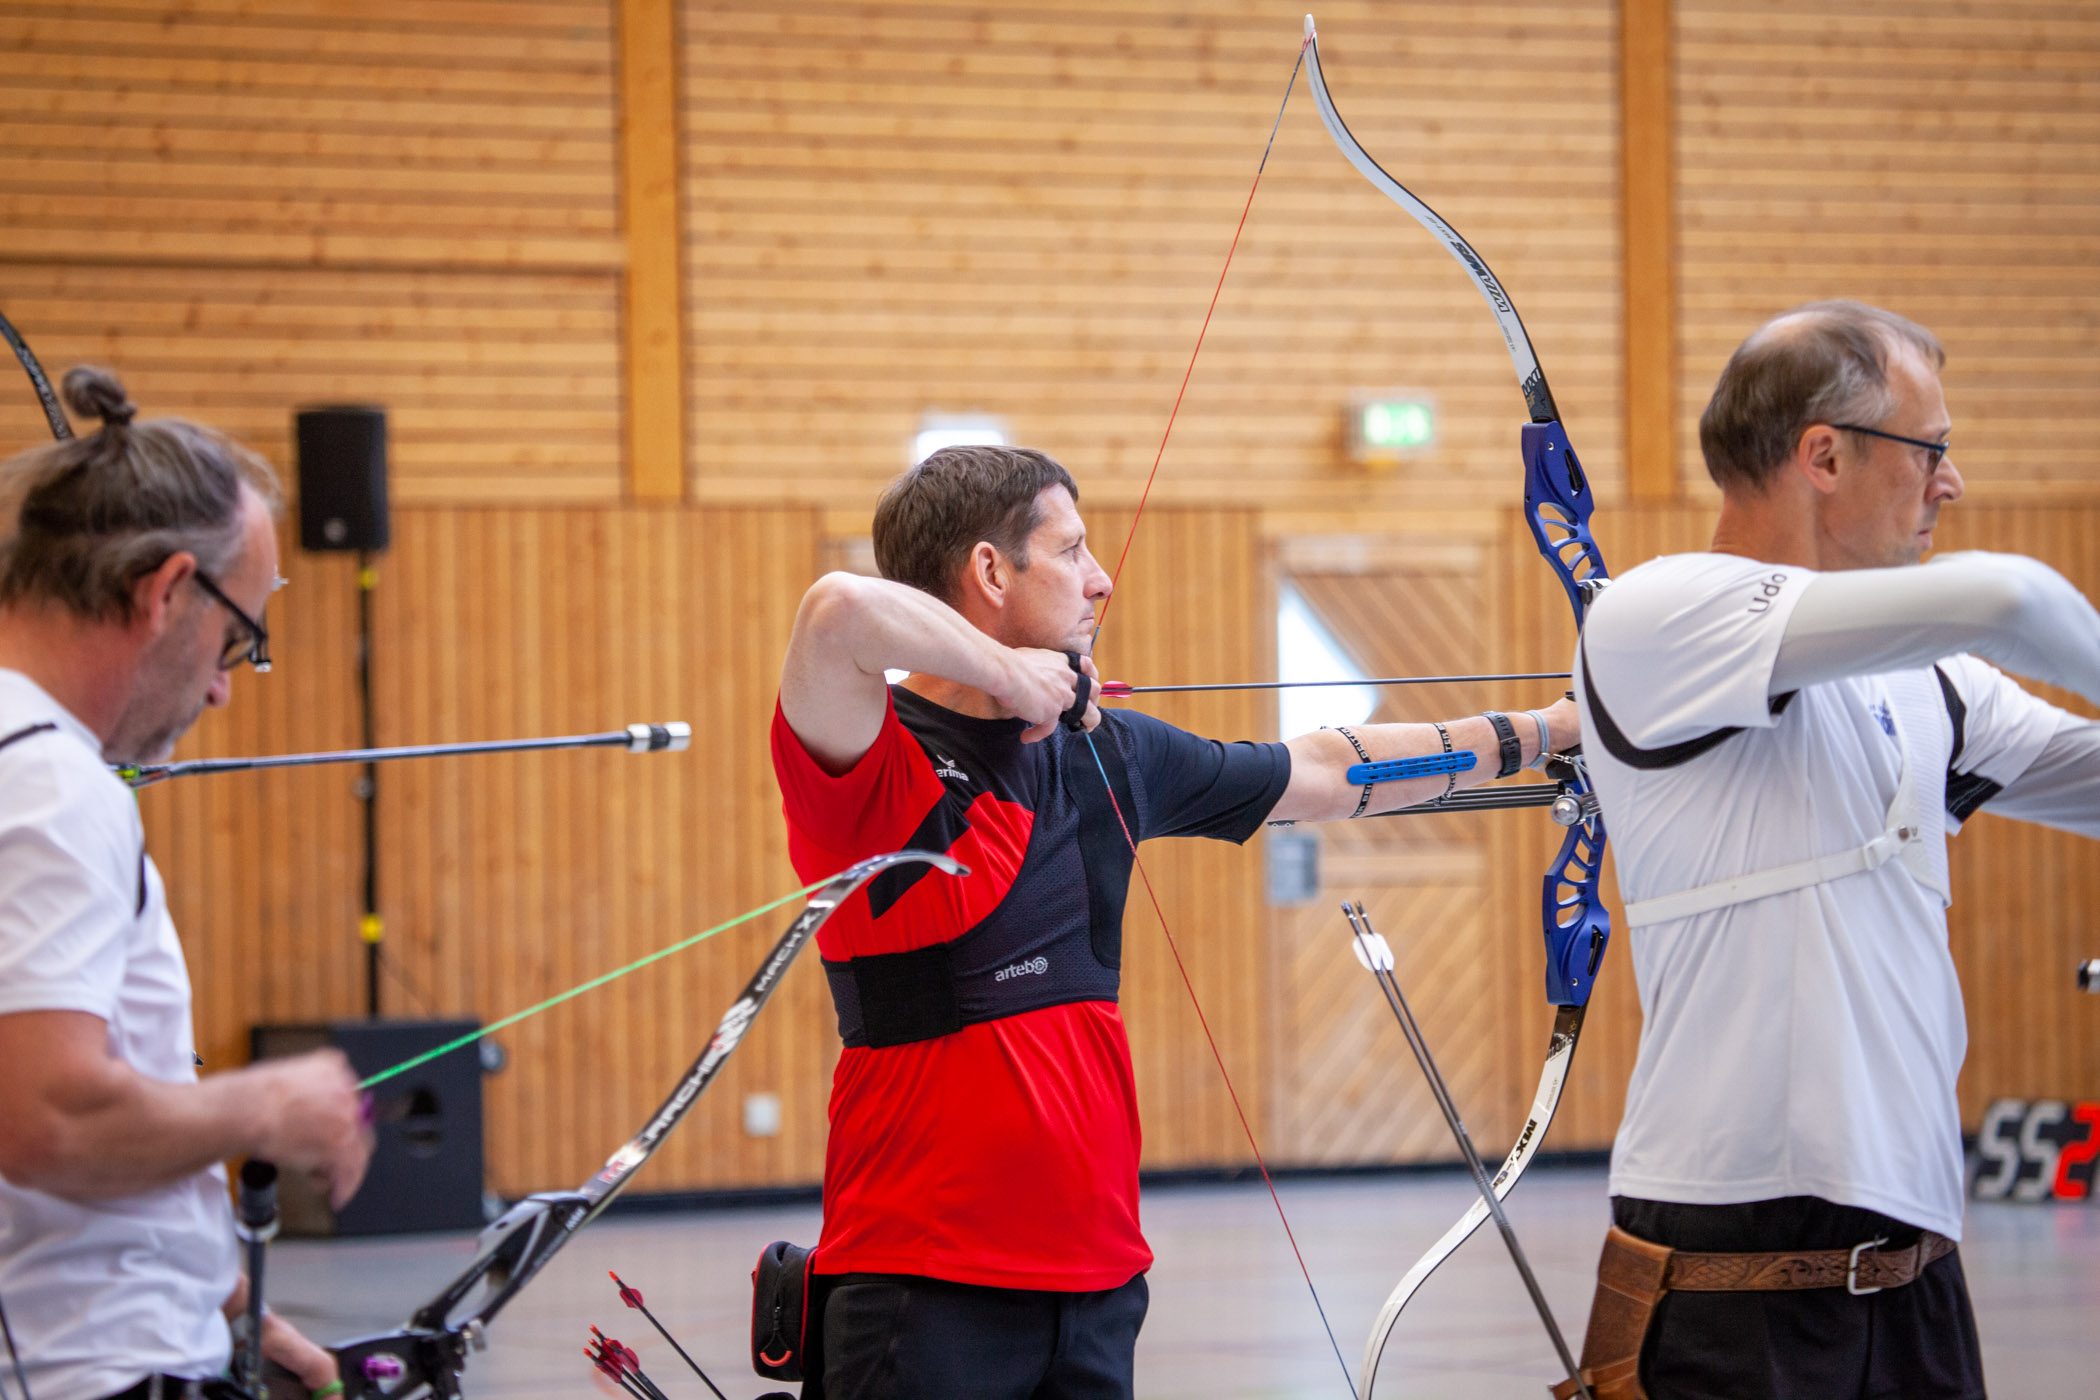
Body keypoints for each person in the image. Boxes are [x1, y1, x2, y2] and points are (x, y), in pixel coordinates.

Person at [771, 444, 1580, 1400]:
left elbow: (1330, 771)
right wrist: (1012, 678)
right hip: (924, 1279)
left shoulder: (1106, 750)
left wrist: (1552, 731)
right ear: (990, 571)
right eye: (1070, 550)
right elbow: (837, 611)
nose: (1100, 578)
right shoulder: (875, 754)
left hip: (1100, 1278)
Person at [1565, 300, 2100, 1400]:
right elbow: (2015, 597)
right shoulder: (1656, 614)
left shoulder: (1934, 681)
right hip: (1730, 1276)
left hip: (1920, 1273)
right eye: (1931, 449)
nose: (1950, 482)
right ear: (1824, 455)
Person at [0, 368, 375, 1400]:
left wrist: (224, 1300)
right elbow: (43, 1118)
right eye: (233, 642)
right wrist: (271, 1099)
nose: (218, 687)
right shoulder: (49, 783)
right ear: (165, 592)